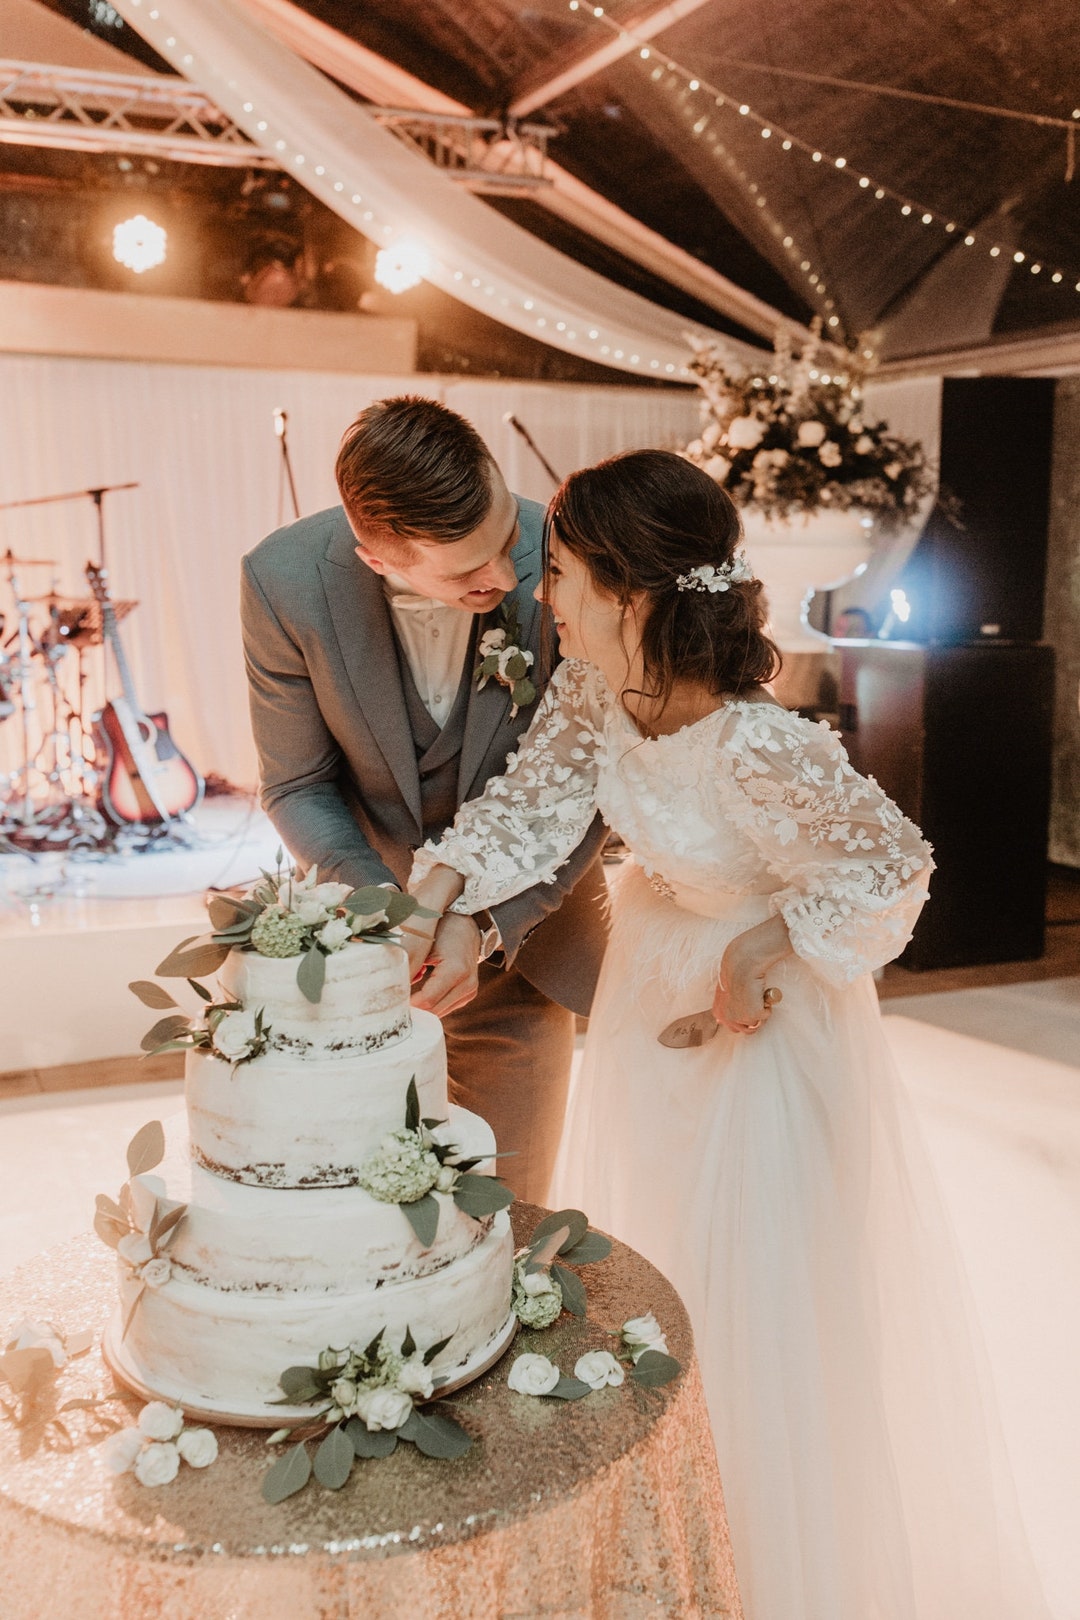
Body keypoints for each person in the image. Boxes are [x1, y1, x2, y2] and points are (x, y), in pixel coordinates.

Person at [406, 450, 1049, 1620]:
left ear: (630, 593)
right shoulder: (596, 694)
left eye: (561, 573)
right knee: (655, 1265)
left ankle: (762, 1556)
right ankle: (666, 1538)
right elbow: (532, 807)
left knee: (753, 1296)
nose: (544, 597)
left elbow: (890, 868)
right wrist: (437, 893)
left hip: (760, 1035)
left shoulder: (760, 744)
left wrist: (769, 942)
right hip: (653, 990)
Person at [240, 395, 608, 1202]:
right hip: (369, 960)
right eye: (465, 573)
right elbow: (297, 784)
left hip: (525, 941)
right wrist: (393, 919)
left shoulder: (566, 550)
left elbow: (587, 780)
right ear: (379, 560)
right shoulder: (282, 582)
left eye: (504, 543)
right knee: (369, 1219)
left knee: (504, 1215)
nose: (505, 577)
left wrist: (482, 920)